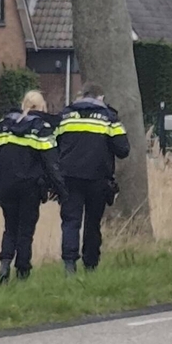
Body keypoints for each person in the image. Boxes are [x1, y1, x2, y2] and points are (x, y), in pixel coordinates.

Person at [0, 90, 68, 284]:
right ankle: (22, 272)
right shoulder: (41, 128)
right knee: (26, 230)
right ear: (42, 107)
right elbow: (51, 163)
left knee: (10, 227)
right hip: (30, 187)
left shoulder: (6, 124)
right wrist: (62, 190)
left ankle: (4, 265)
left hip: (5, 185)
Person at [55, 82, 130, 275]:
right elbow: (123, 150)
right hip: (98, 178)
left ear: (81, 95)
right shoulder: (109, 118)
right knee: (92, 222)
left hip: (69, 177)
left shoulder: (65, 116)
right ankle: (90, 264)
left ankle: (69, 265)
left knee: (71, 221)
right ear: (100, 98)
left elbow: (52, 145)